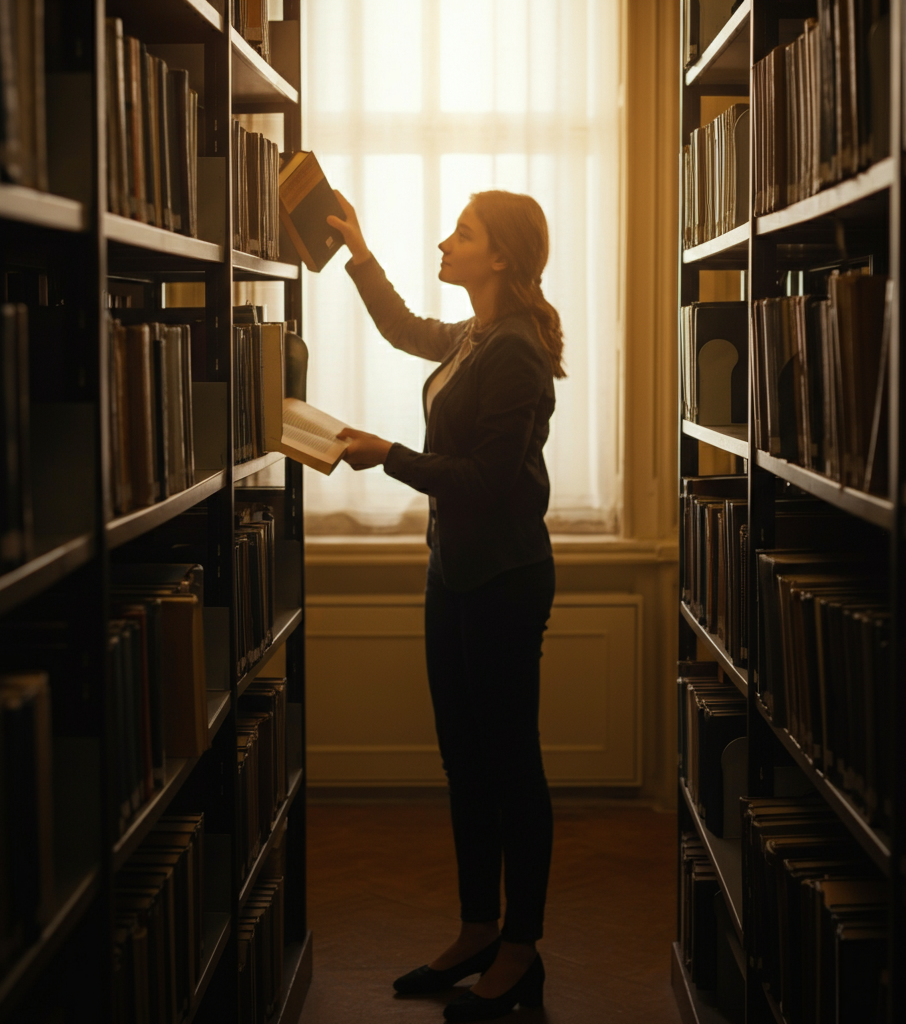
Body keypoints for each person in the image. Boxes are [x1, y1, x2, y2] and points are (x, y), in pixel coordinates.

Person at [326, 188, 564, 1023]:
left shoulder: (517, 353)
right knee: (465, 764)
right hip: (453, 572)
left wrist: (384, 453)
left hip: (504, 578)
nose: (446, 241)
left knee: (510, 767)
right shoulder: (472, 335)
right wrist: (357, 249)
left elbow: (485, 484)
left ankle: (522, 947)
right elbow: (400, 329)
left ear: (500, 258)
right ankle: (476, 930)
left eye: (463, 233)